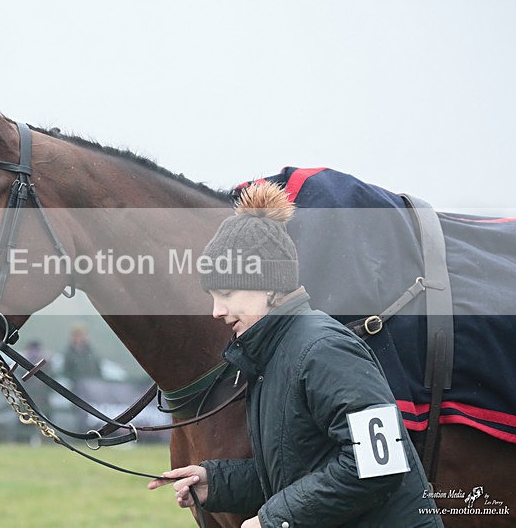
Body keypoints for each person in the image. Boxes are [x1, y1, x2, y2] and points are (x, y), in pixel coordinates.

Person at [148, 183, 442, 527]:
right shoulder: (268, 358)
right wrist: (216, 482)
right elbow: (292, 470)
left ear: (270, 286)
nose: (216, 311)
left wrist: (274, 520)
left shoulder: (324, 349)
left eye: (226, 293)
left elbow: (380, 465)